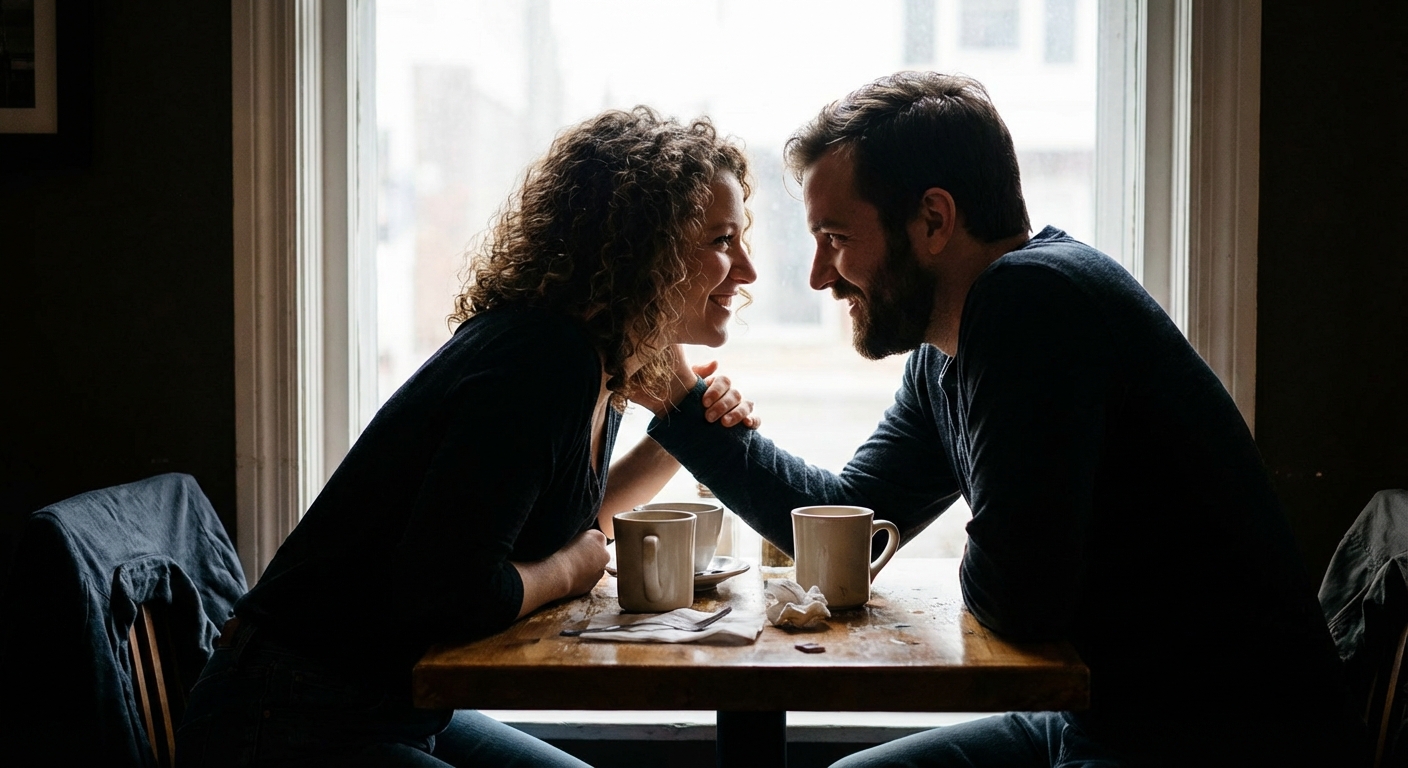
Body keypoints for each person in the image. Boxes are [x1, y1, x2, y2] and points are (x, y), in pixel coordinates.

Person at [638, 72, 1367, 766]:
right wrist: (681, 402)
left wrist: (1003, 551)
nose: (820, 277)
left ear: (933, 220)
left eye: (836, 237)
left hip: (1212, 742)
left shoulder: (1033, 303)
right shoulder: (947, 352)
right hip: (1094, 716)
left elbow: (1019, 602)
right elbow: (844, 525)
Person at [175, 106, 759, 767]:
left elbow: (559, 523)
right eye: (719, 241)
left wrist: (679, 432)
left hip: (381, 704)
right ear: (643, 249)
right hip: (286, 718)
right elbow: (452, 594)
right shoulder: (545, 360)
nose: (746, 271)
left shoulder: (591, 360)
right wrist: (570, 571)